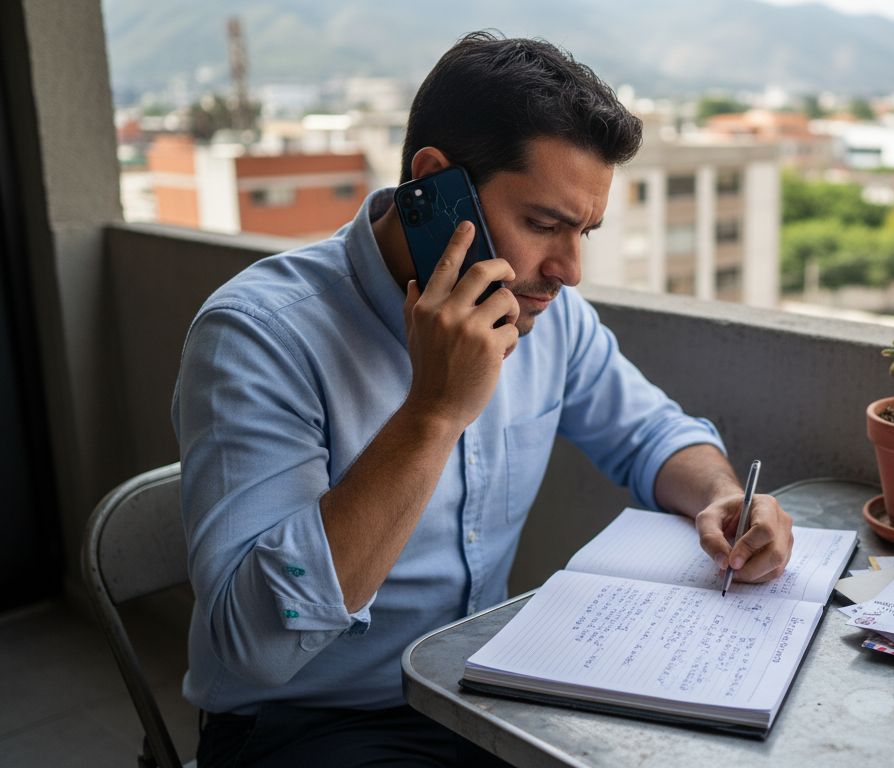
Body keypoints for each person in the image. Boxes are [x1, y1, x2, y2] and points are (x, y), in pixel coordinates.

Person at [172, 31, 794, 767]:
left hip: (476, 692)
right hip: (310, 722)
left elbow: (650, 434)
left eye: (585, 231)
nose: (569, 270)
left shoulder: (545, 311)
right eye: (542, 225)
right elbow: (256, 647)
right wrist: (434, 412)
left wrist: (723, 496)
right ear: (434, 186)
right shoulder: (260, 337)